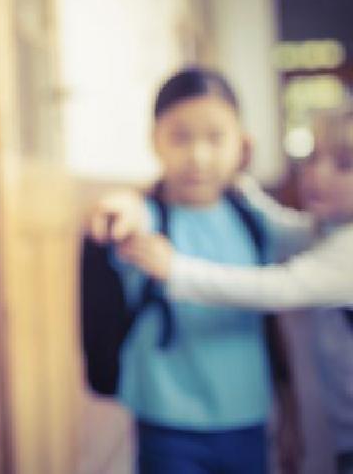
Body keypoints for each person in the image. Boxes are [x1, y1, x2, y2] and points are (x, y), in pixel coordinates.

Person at [108, 105, 353, 474]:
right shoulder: (326, 231)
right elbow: (281, 226)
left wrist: (176, 270)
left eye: (344, 164)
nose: (317, 174)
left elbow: (277, 287)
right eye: (312, 157)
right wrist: (236, 173)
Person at [86, 66, 297, 474]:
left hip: (249, 418)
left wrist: (290, 409)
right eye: (181, 137)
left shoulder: (257, 221)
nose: (198, 156)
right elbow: (125, 213)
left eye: (216, 138)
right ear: (155, 142)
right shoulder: (147, 218)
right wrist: (119, 206)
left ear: (243, 145)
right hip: (167, 424)